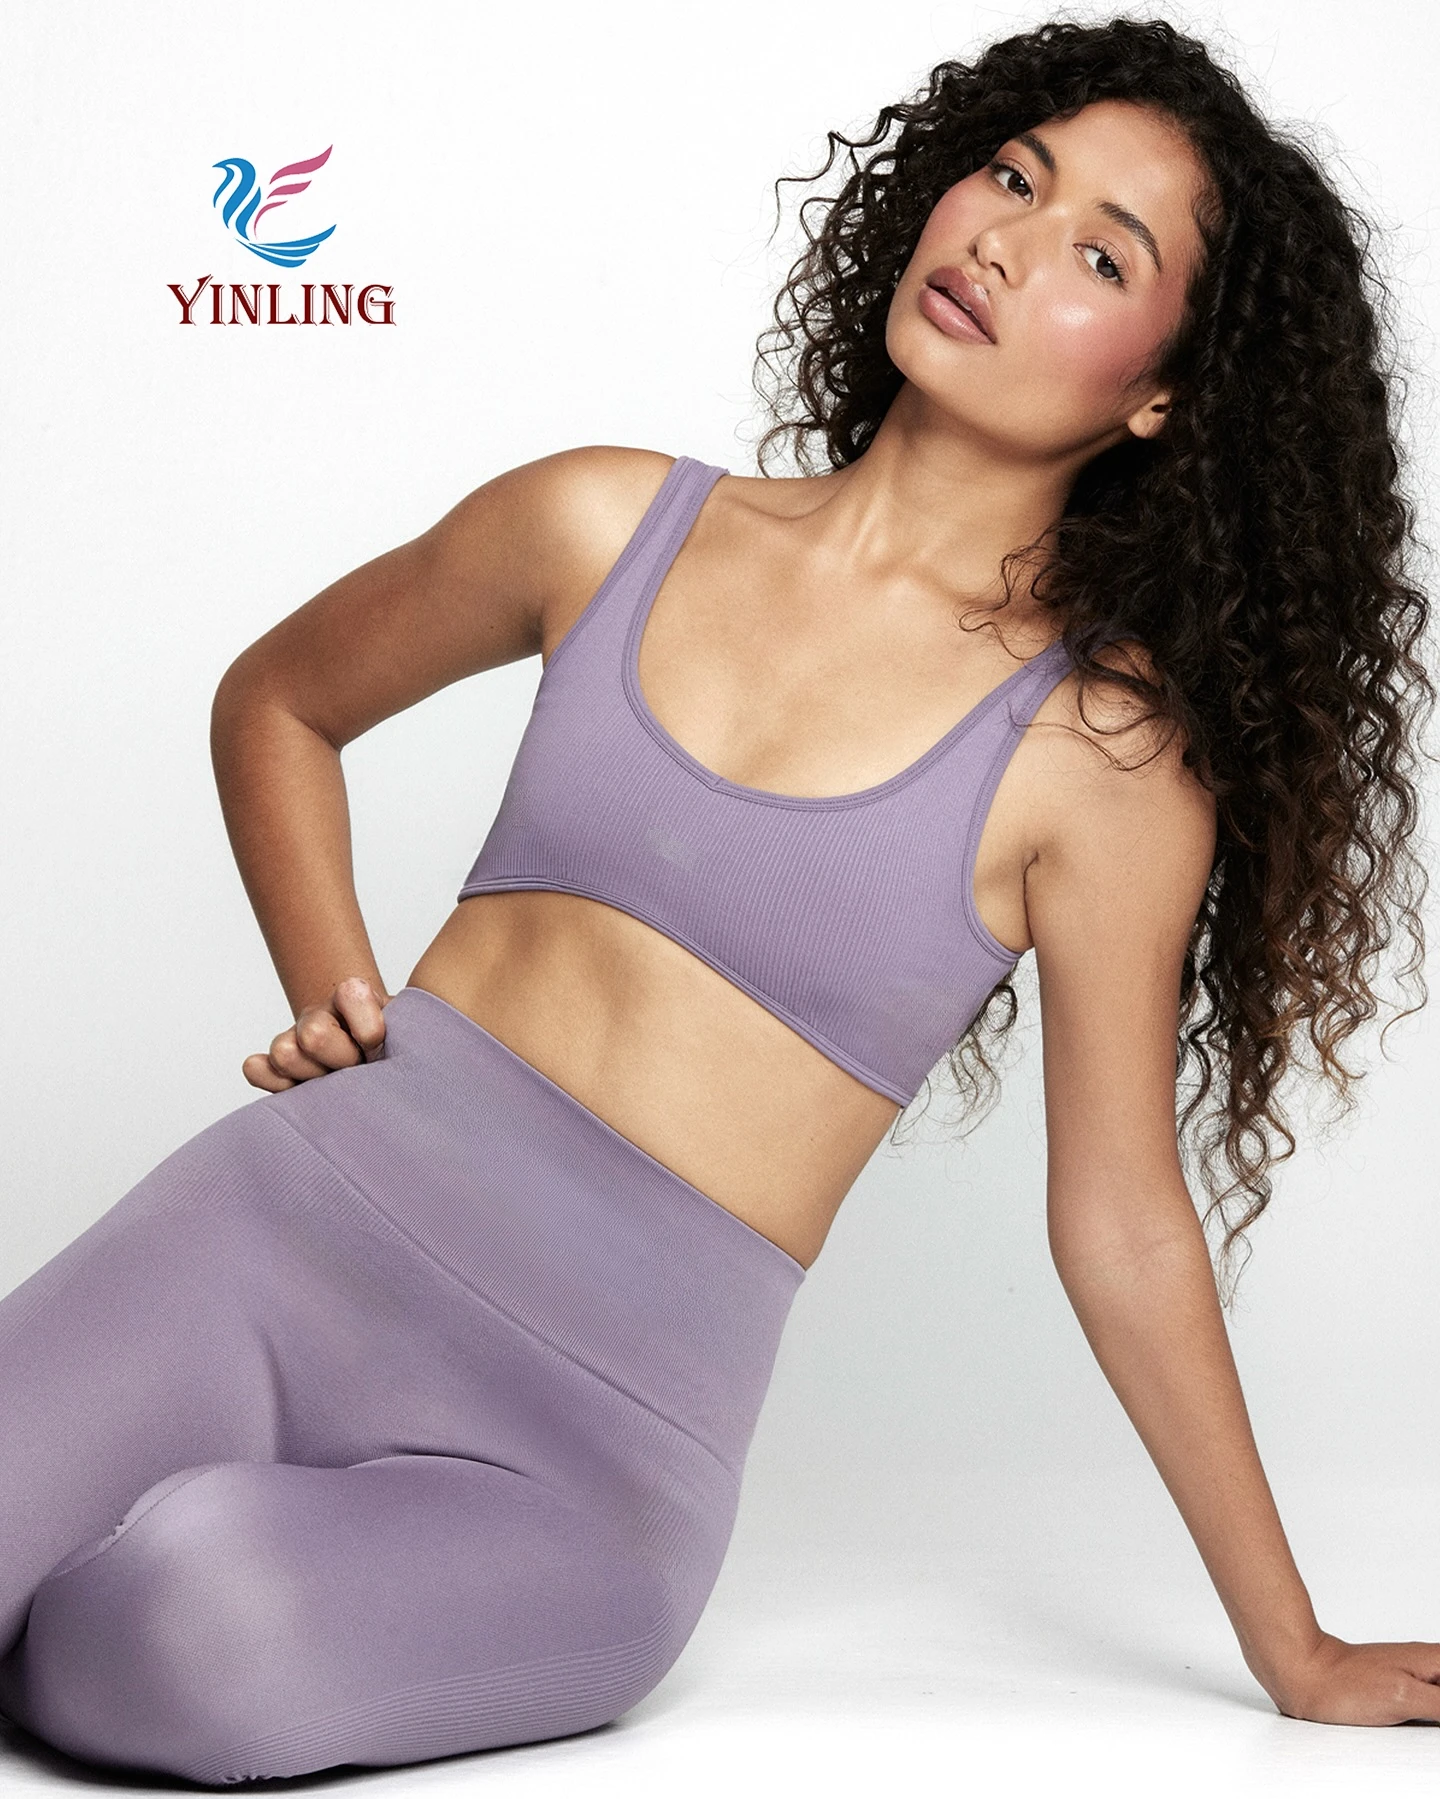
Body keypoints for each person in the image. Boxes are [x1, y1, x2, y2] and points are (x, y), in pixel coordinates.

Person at [2, 14, 1436, 1787]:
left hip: (583, 1452)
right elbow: (280, 701)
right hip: (279, 1234)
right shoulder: (603, 523)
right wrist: (334, 990)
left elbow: (1126, 1223)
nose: (1007, 240)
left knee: (171, 1637)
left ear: (1167, 395)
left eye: (1101, 254)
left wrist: (1293, 1644)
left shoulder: (1101, 761)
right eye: (1013, 175)